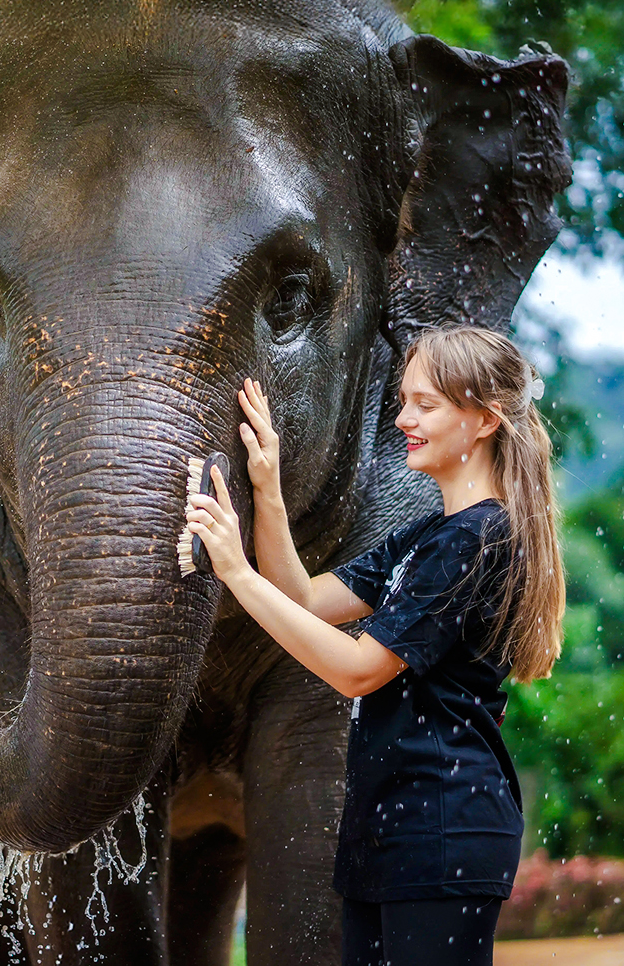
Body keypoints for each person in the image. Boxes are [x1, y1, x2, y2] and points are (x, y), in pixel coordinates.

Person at [185, 325, 565, 966]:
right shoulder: (431, 534)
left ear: (485, 420)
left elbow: (359, 671)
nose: (404, 418)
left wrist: (236, 573)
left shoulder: (477, 539)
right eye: (404, 400)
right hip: (388, 826)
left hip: (443, 824)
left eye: (427, 404)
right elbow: (306, 599)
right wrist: (267, 487)